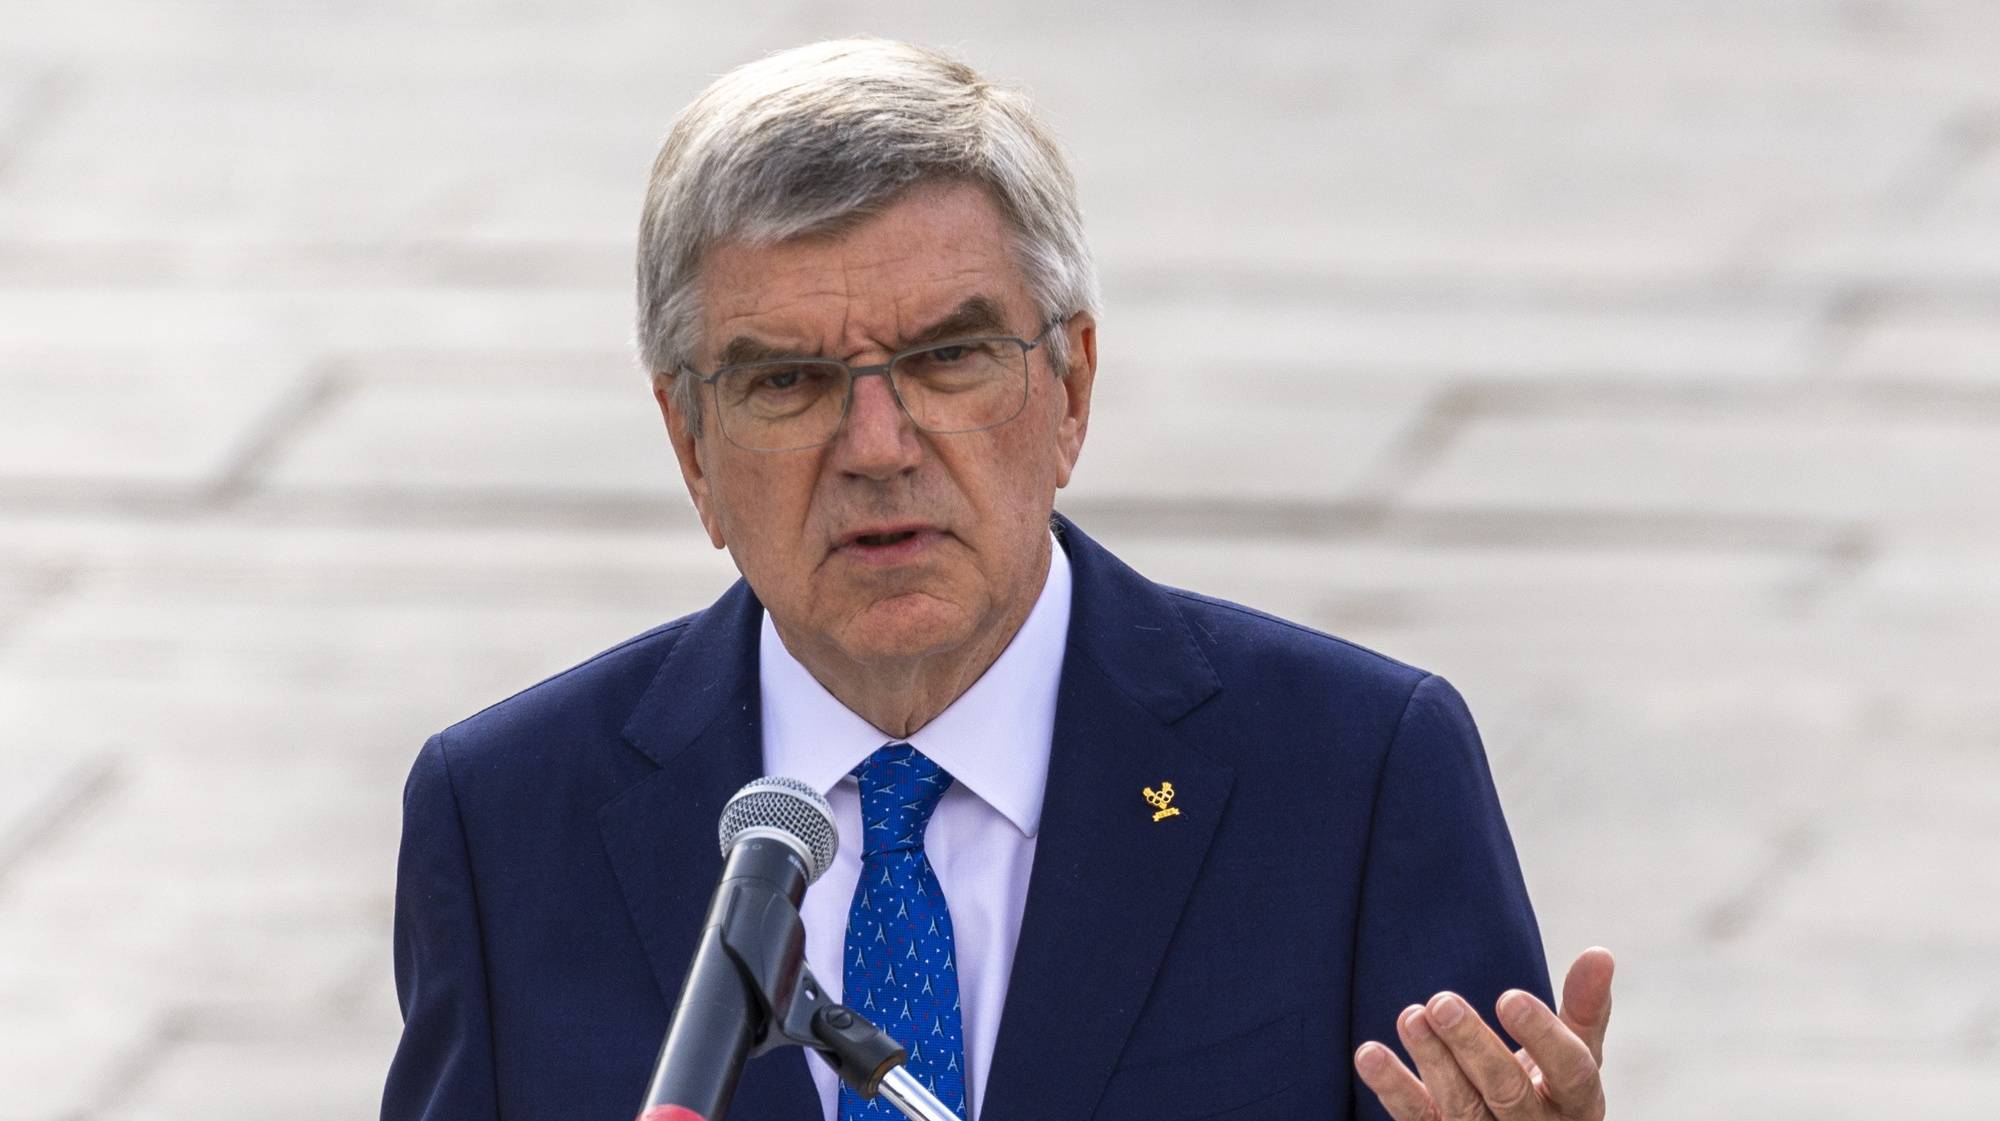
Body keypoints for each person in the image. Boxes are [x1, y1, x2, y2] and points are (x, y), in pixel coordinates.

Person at [382, 38, 1614, 1121]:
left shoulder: (1351, 776)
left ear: (1070, 387)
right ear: (688, 444)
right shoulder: (505, 824)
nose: (875, 446)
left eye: (948, 357)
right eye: (787, 382)